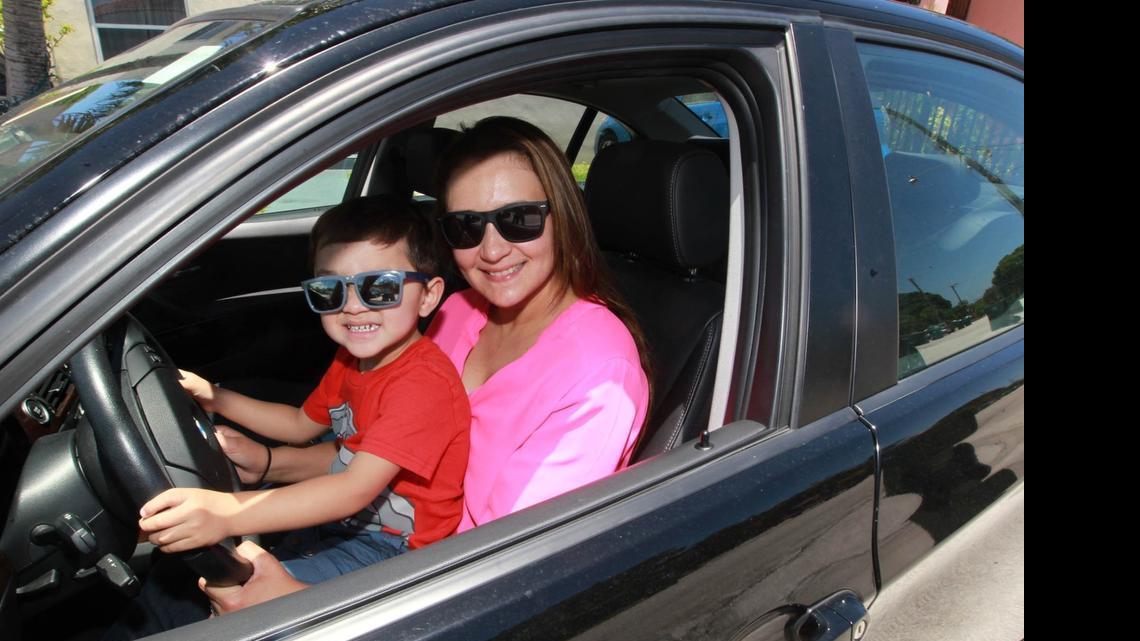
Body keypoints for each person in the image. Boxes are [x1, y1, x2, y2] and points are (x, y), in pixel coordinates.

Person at [201, 115, 651, 616]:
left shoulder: (599, 374)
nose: (493, 249)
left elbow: (512, 571)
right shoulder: (458, 312)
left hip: (429, 584)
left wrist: (303, 605)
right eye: (466, 227)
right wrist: (270, 463)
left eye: (519, 218)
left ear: (563, 216)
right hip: (369, 528)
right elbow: (377, 447)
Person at [104, 196, 470, 638]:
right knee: (177, 584)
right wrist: (217, 398)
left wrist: (226, 513)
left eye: (379, 288)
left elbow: (352, 490)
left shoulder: (422, 383)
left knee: (223, 604)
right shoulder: (352, 361)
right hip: (341, 527)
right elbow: (300, 424)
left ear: (429, 295)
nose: (352, 306)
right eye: (330, 290)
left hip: (392, 550)